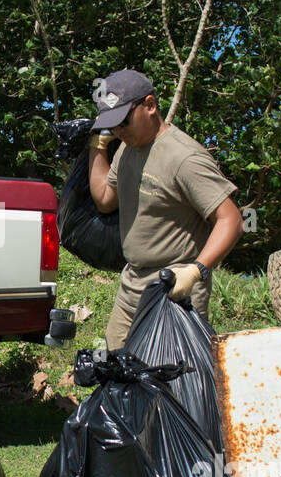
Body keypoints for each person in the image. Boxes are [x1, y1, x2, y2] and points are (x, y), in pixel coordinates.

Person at [87, 69, 243, 349]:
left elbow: (230, 219)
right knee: (116, 370)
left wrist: (196, 271)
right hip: (132, 285)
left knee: (170, 380)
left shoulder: (184, 158)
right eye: (113, 126)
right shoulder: (127, 149)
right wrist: (97, 146)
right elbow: (105, 198)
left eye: (123, 121)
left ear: (149, 105)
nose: (119, 131)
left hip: (174, 290)